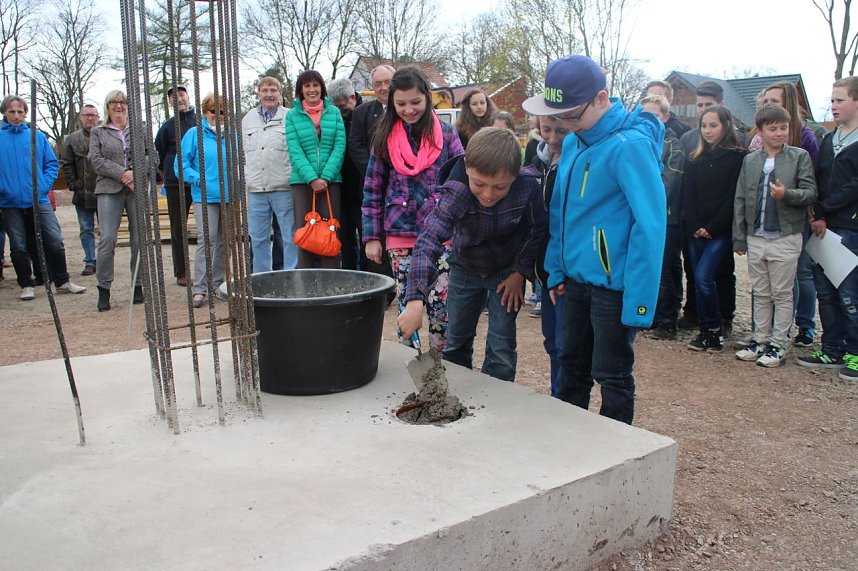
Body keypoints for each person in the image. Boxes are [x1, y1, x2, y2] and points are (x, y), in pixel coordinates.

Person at [523, 54, 666, 424]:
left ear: (601, 99)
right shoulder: (573, 142)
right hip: (572, 282)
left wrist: (638, 301)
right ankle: (570, 444)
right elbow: (561, 212)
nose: (565, 124)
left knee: (612, 373)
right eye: (559, 116)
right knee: (570, 364)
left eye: (572, 115)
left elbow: (649, 226)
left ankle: (615, 454)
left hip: (612, 286)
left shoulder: (629, 147)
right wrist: (554, 270)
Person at [397, 127, 546, 382]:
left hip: (506, 272)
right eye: (479, 184)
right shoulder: (457, 192)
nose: (488, 195)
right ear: (467, 167)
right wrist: (414, 301)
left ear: (515, 175)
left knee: (501, 345)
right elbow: (428, 240)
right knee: (457, 339)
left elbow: (537, 230)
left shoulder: (527, 187)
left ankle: (497, 400)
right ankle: (458, 396)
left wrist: (520, 271)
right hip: (465, 267)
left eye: (500, 187)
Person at [362, 66, 464, 351]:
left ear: (427, 98)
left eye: (415, 102)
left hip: (442, 235)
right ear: (392, 103)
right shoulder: (383, 138)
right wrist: (371, 236)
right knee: (408, 301)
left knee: (440, 304)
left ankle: (441, 364)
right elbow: (372, 187)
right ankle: (412, 361)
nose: (409, 109)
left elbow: (462, 182)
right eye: (401, 104)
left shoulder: (446, 135)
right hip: (400, 234)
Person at [733, 104, 817, 367]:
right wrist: (739, 235)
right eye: (773, 128)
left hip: (785, 236)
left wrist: (787, 195)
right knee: (760, 291)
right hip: (756, 236)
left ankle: (779, 343)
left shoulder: (799, 156)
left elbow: (810, 192)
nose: (779, 133)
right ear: (761, 131)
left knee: (782, 292)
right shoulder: (751, 160)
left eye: (784, 127)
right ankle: (760, 339)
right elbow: (740, 197)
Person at [797, 76, 858, 381]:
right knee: (826, 291)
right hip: (822, 226)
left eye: (840, 100)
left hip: (849, 227)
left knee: (850, 293)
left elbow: (853, 186)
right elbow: (819, 178)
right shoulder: (829, 140)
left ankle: (855, 353)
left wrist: (824, 209)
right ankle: (831, 348)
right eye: (831, 101)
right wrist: (814, 212)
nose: (833, 106)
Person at [0, 95, 86, 300]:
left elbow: (51, 164)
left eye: (20, 112)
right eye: (12, 112)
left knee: (54, 239)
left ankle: (62, 281)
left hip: (39, 199)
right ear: (4, 113)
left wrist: (43, 186)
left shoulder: (36, 137)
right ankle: (26, 284)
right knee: (18, 244)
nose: (16, 116)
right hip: (9, 201)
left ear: (26, 113)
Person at [678, 81, 743, 335]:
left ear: (725, 126)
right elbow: (688, 194)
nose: (707, 130)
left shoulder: (738, 156)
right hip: (695, 229)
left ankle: (718, 324)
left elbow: (732, 198)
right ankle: (705, 325)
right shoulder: (695, 157)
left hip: (720, 230)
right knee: (696, 276)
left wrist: (713, 227)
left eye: (713, 125)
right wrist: (694, 225)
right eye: (703, 125)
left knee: (712, 275)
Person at [88, 90, 144, 311]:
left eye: (123, 102)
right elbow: (96, 159)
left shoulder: (139, 128)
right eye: (114, 102)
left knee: (139, 239)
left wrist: (134, 173)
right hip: (109, 188)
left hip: (136, 187)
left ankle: (138, 284)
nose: (119, 106)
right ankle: (104, 288)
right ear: (108, 106)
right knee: (107, 239)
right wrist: (123, 173)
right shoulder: (98, 132)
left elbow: (152, 155)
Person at [286, 70, 347, 269]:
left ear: (322, 88)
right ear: (301, 90)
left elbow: (340, 145)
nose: (312, 90)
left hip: (331, 182)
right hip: (302, 182)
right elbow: (294, 150)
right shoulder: (292, 116)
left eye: (316, 85)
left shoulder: (334, 113)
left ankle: (332, 281)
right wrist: (312, 178)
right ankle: (307, 281)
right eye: (307, 86)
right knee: (306, 230)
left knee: (330, 229)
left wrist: (326, 177)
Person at [530, 114, 572, 397]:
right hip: (545, 268)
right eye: (547, 130)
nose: (553, 138)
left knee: (567, 346)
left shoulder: (576, 161)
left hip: (566, 269)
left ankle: (566, 402)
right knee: (553, 342)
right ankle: (560, 399)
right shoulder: (538, 162)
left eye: (562, 131)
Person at [176, 93, 231, 308]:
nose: (218, 115)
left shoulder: (232, 135)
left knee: (224, 242)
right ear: (205, 112)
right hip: (205, 196)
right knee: (206, 240)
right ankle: (200, 288)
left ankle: (218, 283)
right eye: (213, 111)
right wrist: (197, 179)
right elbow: (181, 164)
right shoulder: (194, 134)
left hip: (228, 196)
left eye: (222, 111)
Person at [641, 94, 686, 340]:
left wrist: (645, 202)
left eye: (655, 116)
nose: (649, 121)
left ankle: (669, 320)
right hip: (643, 217)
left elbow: (669, 182)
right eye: (644, 116)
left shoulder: (673, 145)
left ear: (665, 118)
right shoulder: (639, 144)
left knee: (666, 270)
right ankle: (653, 315)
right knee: (649, 268)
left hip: (665, 218)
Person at [242, 76, 298, 273]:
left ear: (280, 94)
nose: (269, 94)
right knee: (258, 239)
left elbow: (296, 151)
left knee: (290, 237)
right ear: (258, 94)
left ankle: (292, 279)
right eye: (265, 90)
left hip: (283, 187)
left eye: (273, 90)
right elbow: (241, 154)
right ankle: (262, 281)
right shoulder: (247, 119)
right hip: (256, 190)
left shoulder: (290, 117)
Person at [349, 64, 396, 288]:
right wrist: (375, 171)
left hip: (402, 187)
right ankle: (382, 290)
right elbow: (355, 145)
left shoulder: (407, 110)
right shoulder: (362, 113)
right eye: (378, 83)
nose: (383, 87)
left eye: (387, 82)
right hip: (372, 188)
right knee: (375, 240)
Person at [154, 84, 196, 286]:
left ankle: (210, 269)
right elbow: (158, 154)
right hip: (175, 184)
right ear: (169, 102)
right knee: (178, 228)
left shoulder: (201, 122)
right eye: (173, 97)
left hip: (200, 182)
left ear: (188, 96)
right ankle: (182, 271)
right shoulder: (167, 126)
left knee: (210, 228)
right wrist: (168, 172)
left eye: (181, 94)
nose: (178, 99)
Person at [60, 104, 100, 276]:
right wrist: (74, 184)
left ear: (98, 117)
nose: (90, 118)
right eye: (86, 115)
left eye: (93, 115)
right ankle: (90, 260)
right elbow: (66, 163)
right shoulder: (72, 139)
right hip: (82, 192)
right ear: (80, 118)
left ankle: (105, 260)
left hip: (104, 191)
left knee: (107, 230)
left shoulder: (104, 135)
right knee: (86, 228)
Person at [329, 77, 364, 270]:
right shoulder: (336, 118)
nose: (339, 112)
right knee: (346, 238)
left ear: (352, 98)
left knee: (367, 237)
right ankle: (351, 273)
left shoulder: (366, 114)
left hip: (362, 188)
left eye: (341, 107)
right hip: (342, 189)